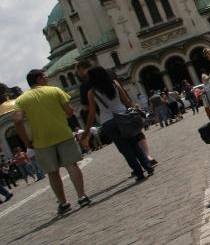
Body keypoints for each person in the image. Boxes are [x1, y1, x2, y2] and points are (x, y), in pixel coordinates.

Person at [14, 70, 90, 214]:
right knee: (72, 166)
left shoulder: (21, 99)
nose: (47, 77)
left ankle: (64, 203)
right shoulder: (55, 90)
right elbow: (70, 112)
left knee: (52, 172)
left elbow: (17, 121)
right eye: (44, 76)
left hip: (41, 141)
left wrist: (26, 142)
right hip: (63, 134)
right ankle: (82, 196)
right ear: (38, 78)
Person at [81, 67, 153, 182]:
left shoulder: (92, 92)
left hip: (108, 122)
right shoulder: (114, 83)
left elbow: (92, 113)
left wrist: (86, 131)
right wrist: (136, 110)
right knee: (134, 143)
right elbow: (126, 101)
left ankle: (139, 173)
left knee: (125, 150)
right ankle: (147, 166)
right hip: (123, 116)